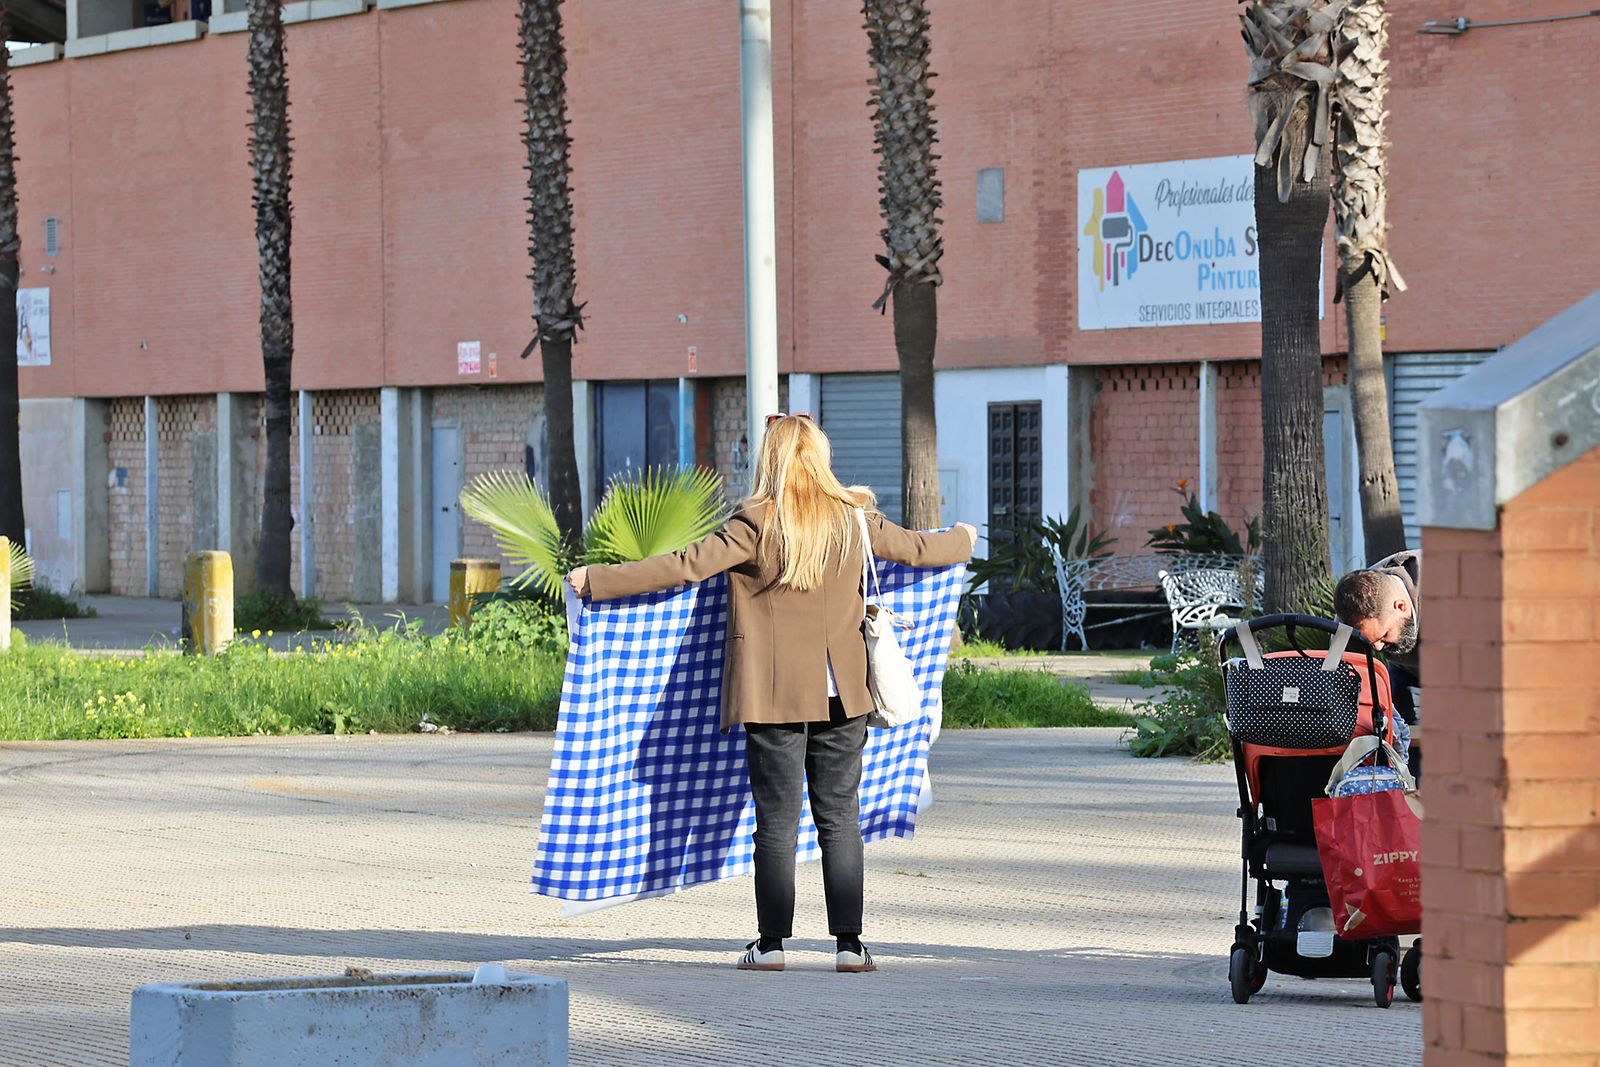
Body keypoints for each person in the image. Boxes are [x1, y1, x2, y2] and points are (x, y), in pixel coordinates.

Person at [566, 414, 976, 974]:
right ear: (820, 458)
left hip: (773, 696)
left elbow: (683, 568)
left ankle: (772, 946)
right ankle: (851, 947)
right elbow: (917, 550)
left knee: (776, 824)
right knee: (839, 819)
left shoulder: (754, 522)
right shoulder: (854, 518)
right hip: (845, 695)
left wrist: (599, 579)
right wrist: (963, 538)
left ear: (771, 460)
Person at [1333, 549, 1421, 778]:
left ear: (1400, 606)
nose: (1379, 649)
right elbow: (1345, 677)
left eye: (1383, 635)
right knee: (1413, 757)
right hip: (1408, 673)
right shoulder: (1350, 618)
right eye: (1371, 643)